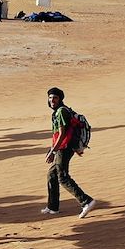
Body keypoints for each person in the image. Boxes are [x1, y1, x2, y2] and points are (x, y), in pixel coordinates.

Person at [42, 87, 95, 218]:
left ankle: (86, 201)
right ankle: (52, 207)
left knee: (63, 177)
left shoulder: (61, 112)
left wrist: (53, 151)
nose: (52, 100)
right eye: (50, 98)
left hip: (64, 148)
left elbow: (62, 134)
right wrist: (52, 149)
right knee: (52, 175)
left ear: (60, 99)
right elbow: (56, 135)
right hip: (61, 147)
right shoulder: (58, 112)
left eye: (55, 98)